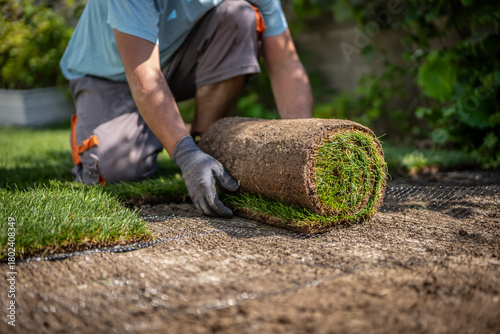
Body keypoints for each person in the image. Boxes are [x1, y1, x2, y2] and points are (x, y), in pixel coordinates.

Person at [60, 0, 313, 218]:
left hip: (175, 61)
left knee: (241, 15)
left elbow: (284, 65)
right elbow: (145, 71)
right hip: (108, 75)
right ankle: (173, 140)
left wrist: (306, 142)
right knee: (116, 169)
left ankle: (204, 144)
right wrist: (184, 155)